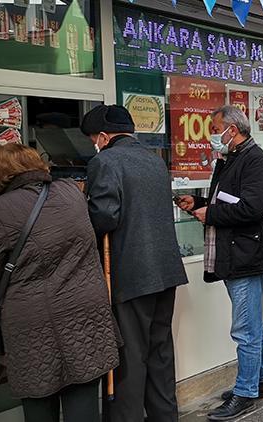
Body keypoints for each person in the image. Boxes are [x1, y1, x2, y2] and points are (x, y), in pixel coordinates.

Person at [0, 144, 120, 422]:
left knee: (40, 406)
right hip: (86, 314)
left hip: (34, 325)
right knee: (84, 402)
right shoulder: (71, 192)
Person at [175, 106, 263, 421]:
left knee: (245, 329)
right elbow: (229, 201)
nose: (211, 133)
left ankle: (245, 392)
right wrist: (199, 204)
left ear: (232, 130)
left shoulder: (257, 162)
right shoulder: (232, 160)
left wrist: (210, 214)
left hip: (249, 255)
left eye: (214, 127)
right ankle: (260, 381)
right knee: (253, 325)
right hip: (237, 253)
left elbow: (251, 208)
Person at [82, 105, 189, 422]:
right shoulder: (154, 160)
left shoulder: (104, 161)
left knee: (129, 357)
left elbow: (104, 216)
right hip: (165, 271)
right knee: (159, 351)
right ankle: (164, 416)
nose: (94, 144)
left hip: (130, 274)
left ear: (103, 136)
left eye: (93, 139)